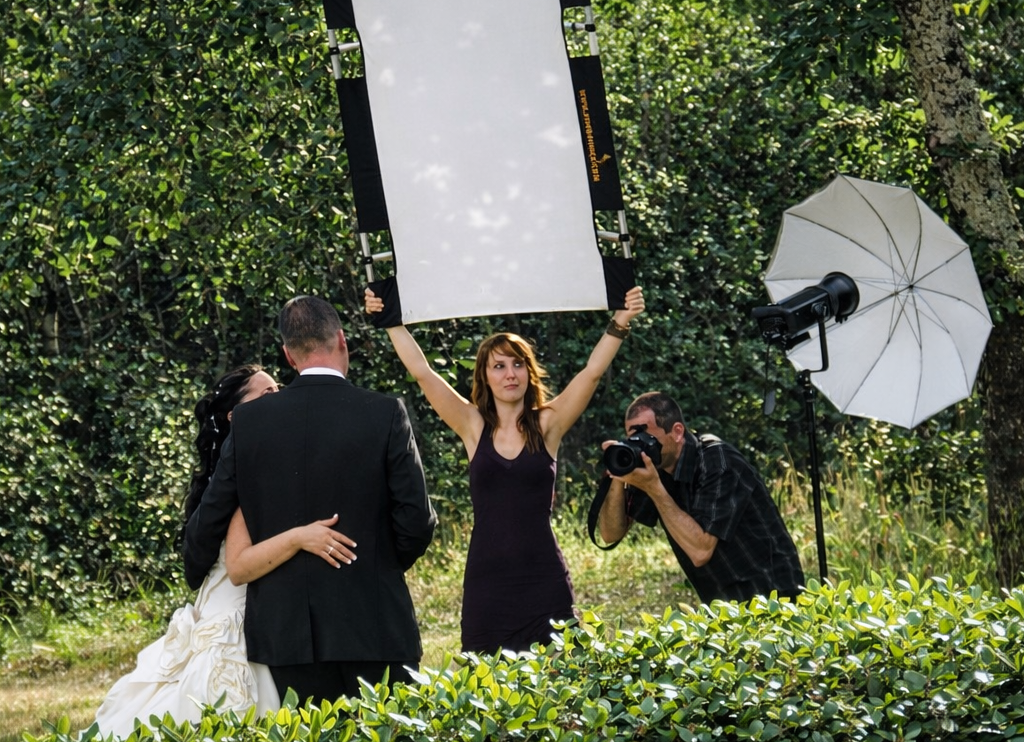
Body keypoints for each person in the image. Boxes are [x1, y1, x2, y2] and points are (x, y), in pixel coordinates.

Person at [184, 296, 436, 705]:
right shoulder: (385, 413)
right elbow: (417, 521)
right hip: (374, 624)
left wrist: (195, 565)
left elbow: (211, 512)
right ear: (341, 339)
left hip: (289, 635)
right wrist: (373, 565)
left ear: (288, 354)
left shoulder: (249, 423)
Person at [365, 284, 645, 653]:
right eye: (499, 366)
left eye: (518, 364)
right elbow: (423, 372)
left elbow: (592, 372)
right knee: (486, 686)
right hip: (487, 582)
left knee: (560, 687)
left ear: (529, 373)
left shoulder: (548, 424)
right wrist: (389, 320)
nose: (510, 373)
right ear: (484, 376)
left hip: (544, 578)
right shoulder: (472, 426)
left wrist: (621, 321)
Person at [94, 365, 352, 736]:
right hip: (233, 606)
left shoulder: (270, 463)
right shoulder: (239, 476)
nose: (280, 398)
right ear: (235, 416)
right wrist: (299, 537)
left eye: (279, 388)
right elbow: (226, 563)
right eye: (266, 394)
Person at [596, 391, 804, 605]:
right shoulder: (654, 466)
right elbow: (610, 533)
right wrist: (618, 474)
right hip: (724, 604)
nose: (642, 445)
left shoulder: (718, 461)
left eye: (647, 436)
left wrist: (654, 488)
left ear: (677, 432)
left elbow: (700, 550)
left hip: (773, 596)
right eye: (634, 438)